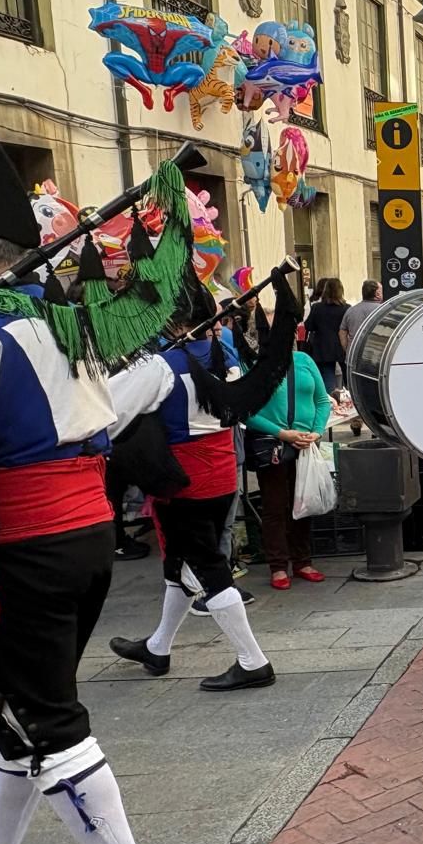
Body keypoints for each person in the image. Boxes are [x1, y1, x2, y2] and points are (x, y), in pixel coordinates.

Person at [0, 136, 177, 844]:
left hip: (21, 546)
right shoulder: (65, 321)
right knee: (17, 709)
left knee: (43, 714)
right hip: (82, 533)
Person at [107, 293, 276, 692]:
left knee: (206, 567)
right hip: (218, 473)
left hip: (181, 480)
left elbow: (109, 409)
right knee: (179, 564)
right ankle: (158, 646)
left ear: (176, 322)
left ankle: (253, 660)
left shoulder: (162, 365)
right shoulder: (226, 358)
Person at [242, 344, 331, 591]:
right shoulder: (256, 365)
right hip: (273, 446)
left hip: (306, 444)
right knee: (275, 506)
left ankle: (303, 561)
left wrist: (316, 431)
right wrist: (282, 433)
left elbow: (322, 400)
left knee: (304, 502)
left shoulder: (304, 360)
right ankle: (278, 566)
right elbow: (246, 411)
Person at [302, 276, 347, 391]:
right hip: (342, 345)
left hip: (323, 346)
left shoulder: (317, 307)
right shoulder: (346, 308)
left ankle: (331, 402)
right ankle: (349, 398)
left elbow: (308, 326)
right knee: (347, 375)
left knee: (328, 376)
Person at [339, 280, 383, 355]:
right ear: (377, 294)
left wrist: (347, 349)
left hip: (354, 354)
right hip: (376, 355)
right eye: (381, 291)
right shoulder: (384, 310)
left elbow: (342, 332)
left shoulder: (351, 310)